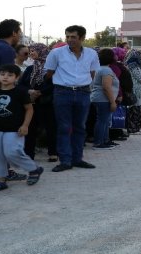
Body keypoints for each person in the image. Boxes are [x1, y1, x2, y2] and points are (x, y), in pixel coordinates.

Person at [44, 25, 100, 172]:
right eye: (67, 36)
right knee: (63, 127)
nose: (69, 39)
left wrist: (85, 86)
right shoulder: (56, 53)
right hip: (62, 93)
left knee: (80, 127)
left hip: (83, 93)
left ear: (82, 38)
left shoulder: (91, 54)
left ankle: (77, 159)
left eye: (73, 37)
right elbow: (48, 73)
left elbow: (93, 73)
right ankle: (65, 161)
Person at [0, 64, 43, 192]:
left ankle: (33, 169)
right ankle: (0, 181)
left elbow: (29, 109)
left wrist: (25, 125)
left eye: (10, 75)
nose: (5, 77)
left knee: (12, 152)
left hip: (15, 130)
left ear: (16, 77)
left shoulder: (20, 92)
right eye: (2, 74)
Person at [0, 18, 26, 181]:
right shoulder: (7, 50)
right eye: (19, 31)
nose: (20, 35)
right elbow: (3, 75)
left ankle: (2, 171)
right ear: (13, 33)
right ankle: (3, 173)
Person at [18, 43, 57, 162]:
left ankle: (53, 152)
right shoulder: (30, 68)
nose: (31, 53)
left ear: (42, 51)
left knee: (51, 127)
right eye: (30, 51)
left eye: (34, 51)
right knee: (31, 127)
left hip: (47, 102)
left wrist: (40, 92)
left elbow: (55, 84)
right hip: (32, 103)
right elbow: (21, 85)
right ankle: (29, 154)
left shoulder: (52, 68)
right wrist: (30, 91)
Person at [91, 48, 120, 149]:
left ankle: (105, 140)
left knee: (105, 120)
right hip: (103, 99)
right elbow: (106, 87)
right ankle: (99, 142)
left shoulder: (99, 68)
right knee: (102, 120)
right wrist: (112, 102)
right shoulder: (106, 70)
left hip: (98, 98)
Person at [124, 49, 141, 135]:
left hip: (137, 90)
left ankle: (135, 128)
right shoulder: (134, 66)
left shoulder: (133, 65)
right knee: (135, 111)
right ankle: (133, 129)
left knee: (136, 110)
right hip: (136, 91)